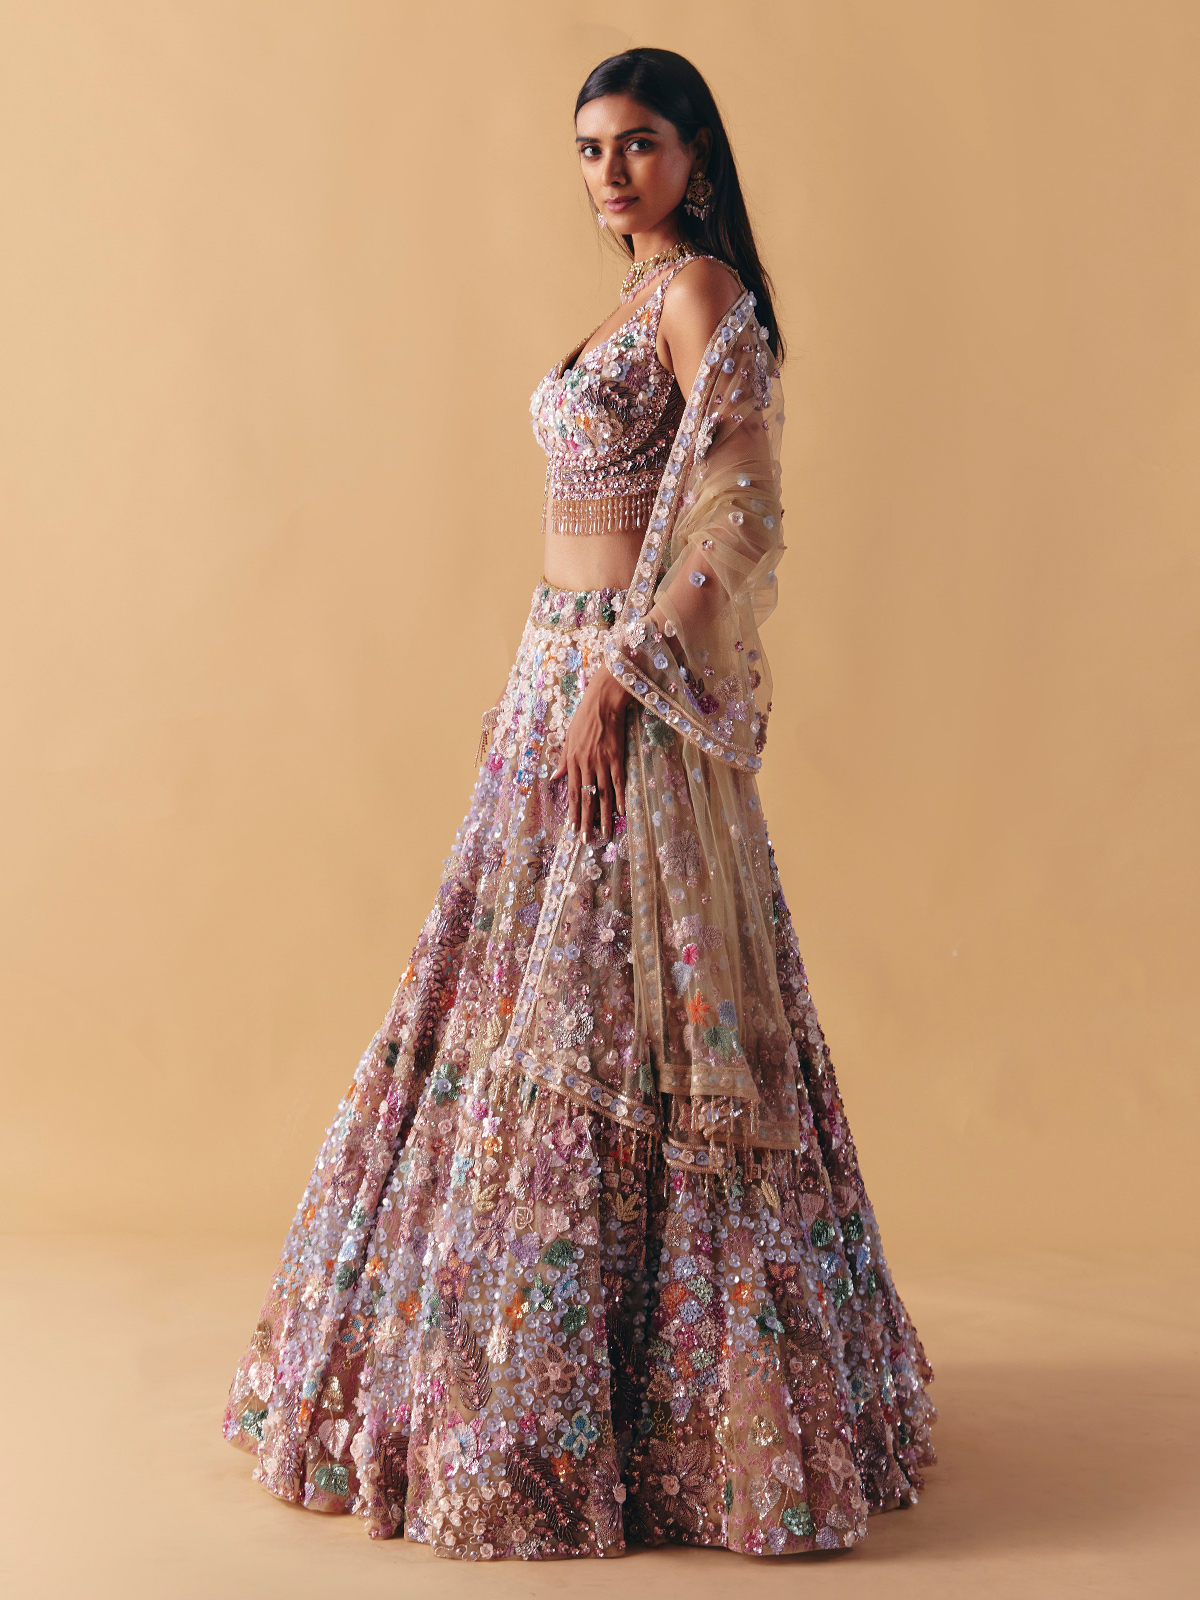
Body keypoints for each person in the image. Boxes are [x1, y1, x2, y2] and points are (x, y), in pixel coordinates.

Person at [224, 46, 936, 1560]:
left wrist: (625, 671)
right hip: (553, 676)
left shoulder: (700, 294)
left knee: (614, 1018)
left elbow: (741, 509)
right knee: (512, 1003)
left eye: (640, 143)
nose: (612, 173)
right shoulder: (632, 299)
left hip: (627, 689)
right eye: (590, 148)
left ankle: (671, 1425)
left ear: (695, 155)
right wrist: (572, 674)